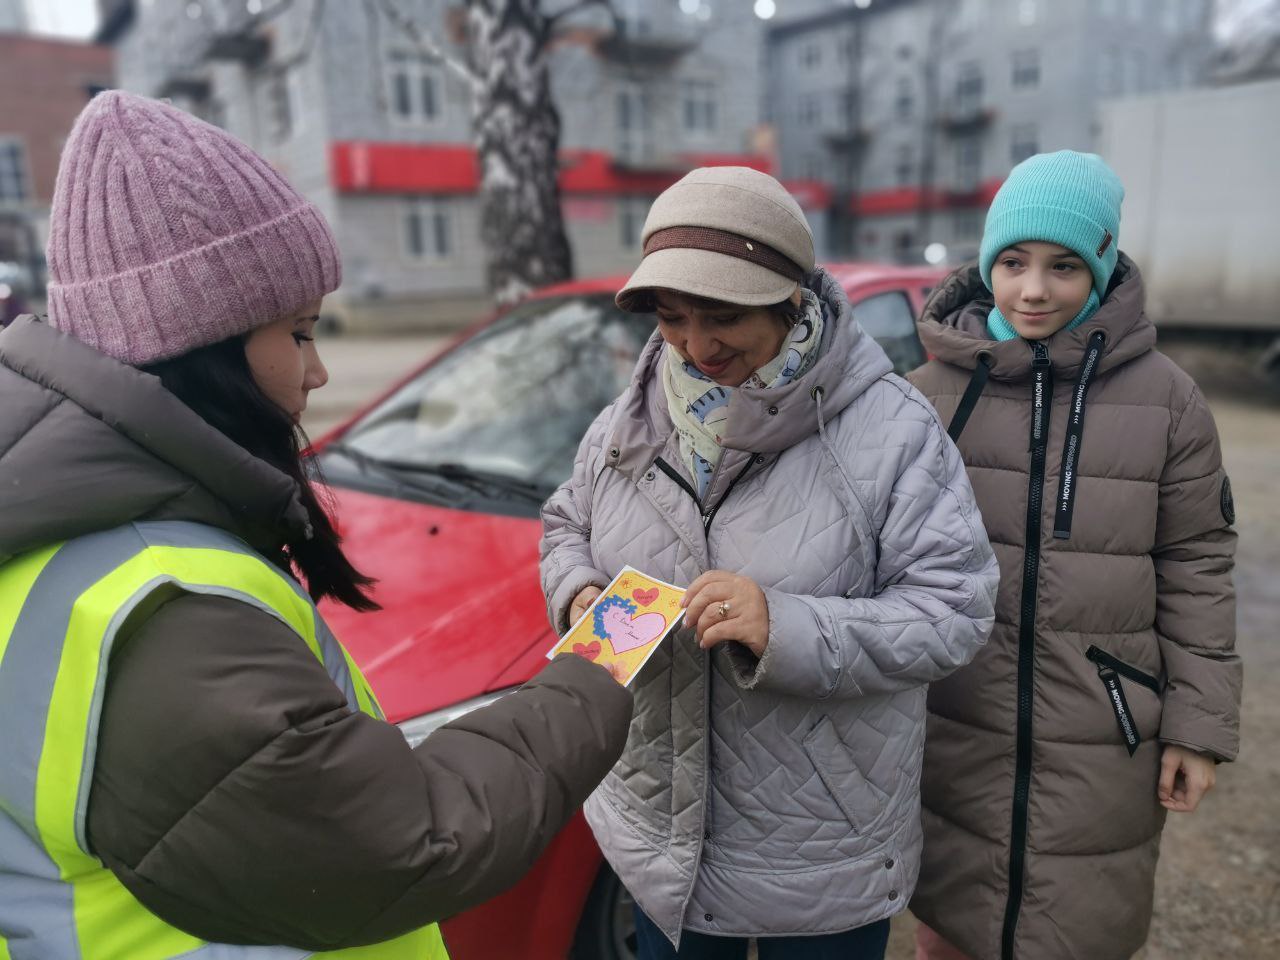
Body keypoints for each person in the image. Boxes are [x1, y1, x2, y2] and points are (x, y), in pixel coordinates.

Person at [0, 91, 632, 959]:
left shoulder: (63, 527)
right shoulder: (164, 606)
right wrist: (602, 664)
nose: (320, 370)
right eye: (299, 332)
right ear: (200, 344)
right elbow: (406, 839)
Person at [539, 166, 1000, 959]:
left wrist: (785, 627)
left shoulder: (892, 428)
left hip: (823, 847)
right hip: (659, 836)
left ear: (790, 298)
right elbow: (563, 524)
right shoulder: (628, 419)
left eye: (724, 316)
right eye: (672, 318)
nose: (697, 346)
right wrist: (578, 591)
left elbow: (955, 610)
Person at [907, 151, 1242, 960]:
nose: (1032, 290)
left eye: (1062, 266)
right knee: (948, 926)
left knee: (1080, 927)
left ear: (1100, 264)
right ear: (987, 265)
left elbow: (1197, 562)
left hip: (1104, 729)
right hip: (952, 721)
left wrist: (1197, 727)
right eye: (1013, 263)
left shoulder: (1167, 399)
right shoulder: (926, 394)